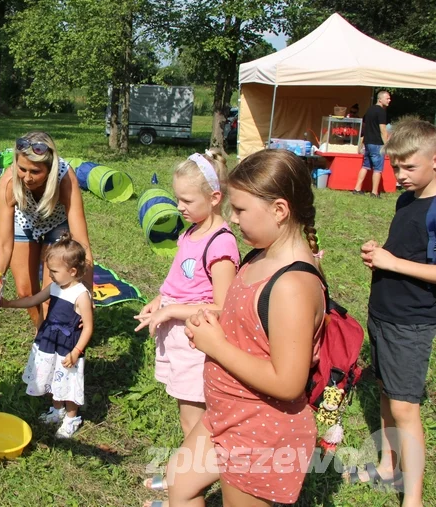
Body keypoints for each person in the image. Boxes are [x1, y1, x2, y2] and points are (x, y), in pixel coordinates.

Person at [165, 149, 326, 507]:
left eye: (240, 210)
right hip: (226, 414)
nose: (233, 220)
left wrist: (215, 345)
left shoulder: (291, 286)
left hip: (260, 432)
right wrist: (211, 323)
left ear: (279, 210)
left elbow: (288, 382)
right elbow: (247, 327)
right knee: (180, 483)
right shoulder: (259, 255)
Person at [133, 149, 239, 497]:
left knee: (197, 421)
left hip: (196, 342)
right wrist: (158, 302)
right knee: (187, 416)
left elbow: (224, 306)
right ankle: (186, 477)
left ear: (214, 198)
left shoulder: (221, 243)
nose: (179, 206)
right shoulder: (190, 232)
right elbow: (178, 282)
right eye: (177, 198)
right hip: (178, 339)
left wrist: (172, 311)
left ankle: (192, 485)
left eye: (186, 200)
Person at [354, 119, 436, 505]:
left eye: (409, 167)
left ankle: (414, 499)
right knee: (387, 393)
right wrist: (378, 254)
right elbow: (402, 251)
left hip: (410, 323)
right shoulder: (407, 200)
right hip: (384, 313)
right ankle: (389, 466)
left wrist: (391, 263)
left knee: (406, 406)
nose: (400, 176)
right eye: (395, 167)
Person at [0, 132, 93, 329]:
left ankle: (50, 338)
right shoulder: (9, 182)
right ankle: (43, 333)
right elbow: (4, 244)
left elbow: (81, 242)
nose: (27, 178)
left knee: (52, 293)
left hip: (57, 223)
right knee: (25, 292)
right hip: (26, 221)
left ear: (50, 169)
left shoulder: (65, 179)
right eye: (22, 169)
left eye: (35, 172)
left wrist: (87, 289)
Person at [0, 234, 93, 439]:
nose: (50, 275)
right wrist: (9, 304)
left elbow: (88, 327)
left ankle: (71, 417)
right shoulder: (54, 287)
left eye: (54, 271)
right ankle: (56, 409)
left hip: (68, 345)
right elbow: (33, 299)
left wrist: (77, 351)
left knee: (68, 380)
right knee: (52, 375)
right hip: (49, 340)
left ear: (73, 271)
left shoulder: (81, 295)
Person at [353, 90, 391, 198]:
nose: (389, 100)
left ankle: (357, 188)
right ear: (380, 99)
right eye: (387, 98)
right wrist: (387, 144)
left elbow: (364, 125)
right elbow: (383, 129)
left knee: (365, 166)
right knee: (378, 169)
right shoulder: (381, 111)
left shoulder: (369, 110)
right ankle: (374, 192)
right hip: (377, 143)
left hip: (368, 142)